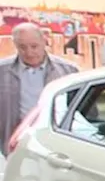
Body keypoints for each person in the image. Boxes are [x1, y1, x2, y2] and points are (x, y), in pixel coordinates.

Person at [1, 22, 79, 151]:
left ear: (44, 42)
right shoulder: (2, 71)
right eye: (22, 47)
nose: (29, 52)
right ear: (15, 46)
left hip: (55, 140)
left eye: (34, 46)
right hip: (13, 142)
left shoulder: (68, 71)